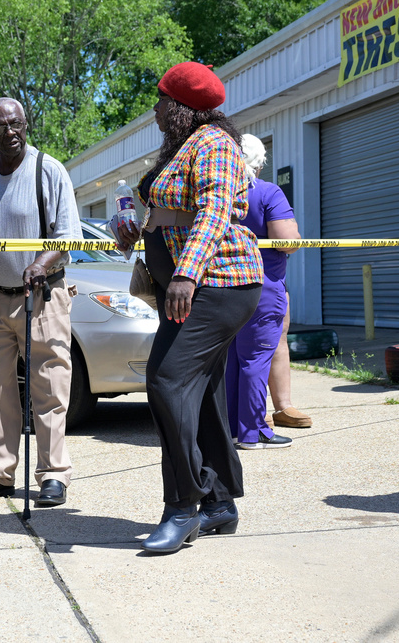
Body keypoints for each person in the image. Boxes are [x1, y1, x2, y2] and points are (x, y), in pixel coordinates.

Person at [116, 62, 264, 553]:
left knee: (165, 380)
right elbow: (170, 211)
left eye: (161, 100)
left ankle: (183, 506)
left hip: (219, 285)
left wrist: (185, 272)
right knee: (200, 391)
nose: (155, 109)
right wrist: (139, 233)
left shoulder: (216, 144)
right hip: (194, 284)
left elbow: (215, 210)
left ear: (182, 107)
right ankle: (220, 501)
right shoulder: (181, 145)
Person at [0, 97, 82, 508]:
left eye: (16, 124)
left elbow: (68, 236)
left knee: (49, 388)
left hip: (42, 296)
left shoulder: (48, 169)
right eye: (0, 127)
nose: (10, 132)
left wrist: (41, 263)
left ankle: (53, 475)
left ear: (26, 124)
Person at [226, 134, 301, 450]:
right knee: (257, 358)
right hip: (263, 284)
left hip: (225, 284)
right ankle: (254, 432)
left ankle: (232, 428)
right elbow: (287, 241)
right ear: (259, 163)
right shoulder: (269, 192)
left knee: (232, 358)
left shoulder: (220, 195)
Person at [267, 297, 312, 427]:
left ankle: (283, 406)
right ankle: (251, 408)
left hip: (274, 277)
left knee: (280, 330)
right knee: (249, 331)